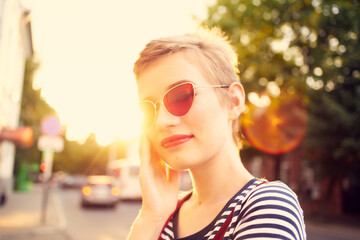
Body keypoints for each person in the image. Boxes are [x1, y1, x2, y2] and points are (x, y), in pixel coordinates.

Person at [127, 27, 306, 240]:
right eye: (148, 109)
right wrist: (150, 219)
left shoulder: (269, 204)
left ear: (234, 101)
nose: (162, 122)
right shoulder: (162, 217)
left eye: (182, 96)